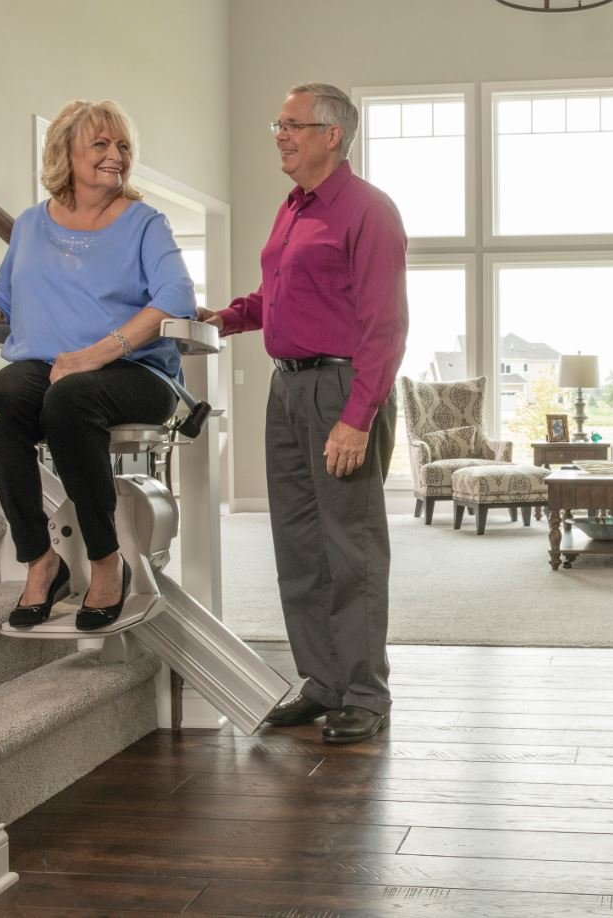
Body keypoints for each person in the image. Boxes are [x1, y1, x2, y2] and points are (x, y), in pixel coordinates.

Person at [198, 83, 407, 744]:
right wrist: (224, 318)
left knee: (352, 547)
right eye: (278, 124)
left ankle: (366, 692)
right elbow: (276, 296)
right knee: (297, 543)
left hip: (342, 388)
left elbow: (386, 328)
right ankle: (323, 682)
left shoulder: (368, 211)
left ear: (332, 134)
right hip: (286, 390)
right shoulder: (293, 208)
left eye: (292, 125)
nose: (281, 136)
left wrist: (357, 415)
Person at [0, 100, 196, 631]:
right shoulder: (31, 225)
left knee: (70, 397)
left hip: (137, 372)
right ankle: (41, 560)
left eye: (122, 146)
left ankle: (106, 561)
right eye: (100, 144)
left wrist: (95, 354)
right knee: (1, 399)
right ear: (66, 154)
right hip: (51, 366)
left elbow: (176, 297)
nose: (115, 156)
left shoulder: (145, 223)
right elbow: (3, 301)